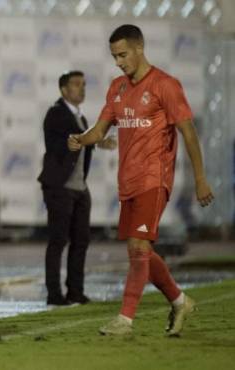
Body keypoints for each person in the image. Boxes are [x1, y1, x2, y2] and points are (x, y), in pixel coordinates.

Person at [68, 24, 214, 336]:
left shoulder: (165, 85)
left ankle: (125, 319)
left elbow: (188, 133)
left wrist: (200, 178)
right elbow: (100, 129)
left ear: (139, 49)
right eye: (114, 56)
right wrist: (81, 139)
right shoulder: (117, 88)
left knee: (138, 246)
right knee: (141, 250)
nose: (118, 61)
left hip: (154, 178)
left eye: (122, 55)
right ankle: (179, 300)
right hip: (128, 181)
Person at [38, 71, 116, 306]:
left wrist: (99, 141)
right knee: (58, 240)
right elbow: (59, 142)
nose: (81, 88)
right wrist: (85, 139)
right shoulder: (56, 113)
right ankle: (54, 293)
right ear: (63, 90)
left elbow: (81, 138)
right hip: (60, 187)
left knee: (81, 240)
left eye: (83, 84)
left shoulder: (80, 117)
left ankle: (75, 291)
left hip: (79, 187)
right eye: (76, 84)